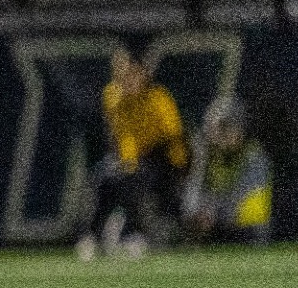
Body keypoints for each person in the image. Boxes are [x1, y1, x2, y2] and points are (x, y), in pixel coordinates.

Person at [77, 49, 187, 260]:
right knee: (102, 179)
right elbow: (122, 135)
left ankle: (133, 234)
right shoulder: (112, 96)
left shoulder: (158, 98)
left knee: (134, 180)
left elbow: (174, 137)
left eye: (132, 74)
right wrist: (127, 162)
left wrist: (180, 169)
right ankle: (91, 235)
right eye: (122, 74)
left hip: (161, 158)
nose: (127, 79)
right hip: (131, 157)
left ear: (142, 74)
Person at [183, 96, 272, 244]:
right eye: (216, 130)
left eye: (226, 129)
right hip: (217, 225)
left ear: (240, 129)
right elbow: (193, 190)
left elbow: (239, 200)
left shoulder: (254, 157)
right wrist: (197, 212)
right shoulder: (207, 154)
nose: (219, 136)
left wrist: (212, 213)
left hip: (248, 231)